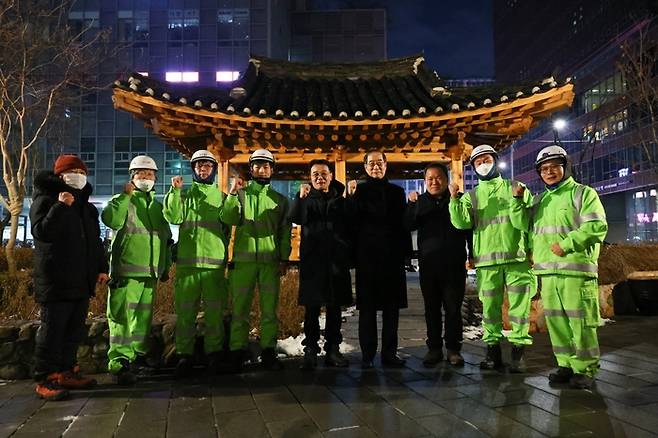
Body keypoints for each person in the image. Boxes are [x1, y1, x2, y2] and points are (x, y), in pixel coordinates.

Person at [510, 145, 607, 389]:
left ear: (565, 167)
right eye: (544, 169)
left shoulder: (583, 194)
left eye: (554, 167)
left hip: (576, 270)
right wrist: (517, 201)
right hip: (548, 272)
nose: (549, 172)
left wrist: (566, 245)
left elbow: (596, 227)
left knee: (581, 323)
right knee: (557, 323)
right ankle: (565, 364)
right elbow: (522, 223)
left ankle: (585, 368)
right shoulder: (540, 200)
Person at [448, 144, 534, 373]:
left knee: (519, 310)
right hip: (487, 263)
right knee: (490, 311)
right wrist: (454, 200)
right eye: (478, 162)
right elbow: (461, 223)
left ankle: (518, 356)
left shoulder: (516, 187)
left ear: (495, 161)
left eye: (486, 159)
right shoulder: (471, 196)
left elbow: (529, 223)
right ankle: (492, 354)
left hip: (517, 259)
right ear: (474, 168)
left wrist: (532, 251)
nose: (482, 164)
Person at [30, 155, 108, 400]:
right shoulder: (46, 199)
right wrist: (60, 206)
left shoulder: (87, 207)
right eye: (71, 171)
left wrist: (101, 267)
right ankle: (46, 378)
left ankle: (66, 372)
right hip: (55, 280)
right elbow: (42, 232)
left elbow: (95, 242)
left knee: (73, 332)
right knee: (52, 331)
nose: (77, 175)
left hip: (81, 281)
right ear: (59, 175)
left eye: (80, 171)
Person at [163, 150, 240, 377]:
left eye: (207, 165)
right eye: (198, 166)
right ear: (193, 169)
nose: (203, 169)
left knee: (214, 314)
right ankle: (184, 356)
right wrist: (174, 191)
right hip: (188, 266)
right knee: (185, 314)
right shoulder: (184, 195)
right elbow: (173, 217)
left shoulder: (223, 197)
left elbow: (232, 218)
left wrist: (234, 196)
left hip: (214, 267)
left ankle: (214, 354)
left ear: (213, 169)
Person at [102, 155, 172, 385]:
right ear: (132, 176)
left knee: (142, 320)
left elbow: (165, 239)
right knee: (121, 319)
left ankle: (138, 358)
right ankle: (120, 361)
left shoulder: (157, 207)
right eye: (141, 174)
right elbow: (110, 219)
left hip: (149, 274)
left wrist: (164, 267)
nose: (146, 178)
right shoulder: (122, 200)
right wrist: (124, 196)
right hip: (126, 272)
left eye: (150, 174)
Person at [223, 149, 292, 371]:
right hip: (243, 263)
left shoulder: (280, 201)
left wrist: (284, 258)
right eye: (257, 166)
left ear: (272, 170)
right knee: (240, 310)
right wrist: (232, 195)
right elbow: (228, 218)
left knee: (269, 311)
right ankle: (236, 351)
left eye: (266, 166)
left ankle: (269, 350)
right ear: (250, 169)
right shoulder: (240, 195)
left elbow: (284, 232)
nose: (261, 169)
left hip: (270, 262)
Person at [347, 150, 412, 369]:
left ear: (386, 165)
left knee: (391, 310)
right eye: (371, 163)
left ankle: (389, 353)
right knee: (367, 310)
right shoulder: (358, 191)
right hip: (367, 257)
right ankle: (367, 354)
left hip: (392, 258)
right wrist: (350, 197)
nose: (376, 166)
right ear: (365, 167)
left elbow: (403, 225)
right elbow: (350, 223)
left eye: (379, 162)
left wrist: (406, 255)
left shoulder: (397, 192)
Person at [405, 163, 472, 368]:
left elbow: (469, 229)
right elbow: (407, 225)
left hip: (454, 264)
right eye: (430, 179)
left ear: (446, 178)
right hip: (429, 265)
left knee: (453, 308)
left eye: (438, 177)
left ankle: (453, 349)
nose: (434, 182)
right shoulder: (421, 201)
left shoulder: (459, 201)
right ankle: (434, 348)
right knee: (431, 308)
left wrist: (473, 254)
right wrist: (411, 205)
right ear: (425, 182)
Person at [290, 159, 352, 370]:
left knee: (335, 309)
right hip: (313, 262)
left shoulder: (341, 201)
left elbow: (352, 226)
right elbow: (296, 217)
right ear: (310, 177)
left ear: (331, 176)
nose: (319, 177)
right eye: (315, 174)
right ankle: (310, 349)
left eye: (324, 173)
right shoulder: (306, 199)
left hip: (336, 262)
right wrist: (300, 198)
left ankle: (333, 349)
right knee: (311, 309)